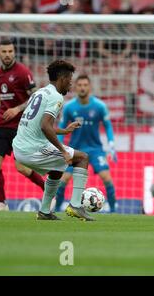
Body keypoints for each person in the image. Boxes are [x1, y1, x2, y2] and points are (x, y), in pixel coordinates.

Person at [12, 60, 95, 221]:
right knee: (82, 158)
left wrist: (64, 130)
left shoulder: (40, 92)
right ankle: (76, 206)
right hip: (32, 149)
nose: (70, 84)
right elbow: (44, 126)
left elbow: (40, 124)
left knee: (57, 168)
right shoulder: (56, 97)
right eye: (69, 80)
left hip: (20, 147)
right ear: (62, 78)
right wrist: (63, 151)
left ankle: (44, 211)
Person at [0, 39, 46, 211]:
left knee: (21, 168)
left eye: (10, 51)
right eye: (4, 52)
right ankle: (2, 203)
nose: (7, 55)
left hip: (21, 126)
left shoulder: (23, 72)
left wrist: (17, 109)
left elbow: (36, 96)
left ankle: (49, 190)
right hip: (2, 125)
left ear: (14, 52)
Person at [55, 74, 117, 213]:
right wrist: (60, 149)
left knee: (107, 178)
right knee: (63, 179)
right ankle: (58, 209)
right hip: (75, 149)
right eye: (80, 85)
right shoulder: (69, 107)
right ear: (75, 87)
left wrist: (111, 145)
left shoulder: (100, 106)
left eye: (85, 85)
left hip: (95, 149)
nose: (82, 88)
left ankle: (114, 211)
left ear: (89, 87)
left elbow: (108, 126)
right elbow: (61, 127)